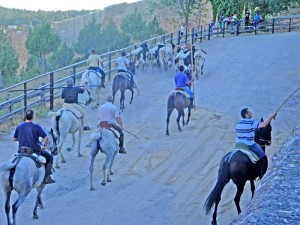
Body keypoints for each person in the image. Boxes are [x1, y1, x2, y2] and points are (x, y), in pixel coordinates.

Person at [13, 109, 56, 184]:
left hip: (21, 151)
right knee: (50, 157)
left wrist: (22, 137)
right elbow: (46, 138)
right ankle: (47, 178)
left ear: (25, 116)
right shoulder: (36, 127)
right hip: (34, 151)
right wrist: (44, 147)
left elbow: (14, 138)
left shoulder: (19, 126)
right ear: (33, 117)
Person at [235, 108, 277, 179]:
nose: (251, 113)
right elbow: (263, 125)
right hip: (249, 145)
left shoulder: (238, 123)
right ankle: (262, 177)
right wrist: (271, 116)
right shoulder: (250, 122)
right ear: (246, 115)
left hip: (238, 144)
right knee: (263, 157)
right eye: (249, 113)